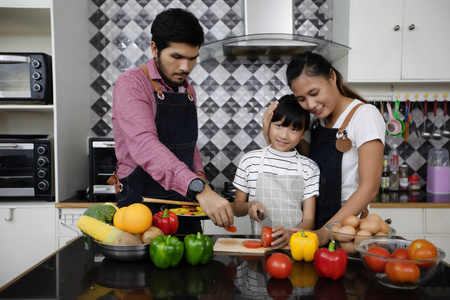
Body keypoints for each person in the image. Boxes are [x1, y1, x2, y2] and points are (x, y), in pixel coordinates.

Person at [111, 8, 233, 233]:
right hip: (142, 204)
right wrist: (198, 188)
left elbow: (188, 145)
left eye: (192, 58)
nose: (185, 68)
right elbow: (145, 145)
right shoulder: (132, 83)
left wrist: (199, 178)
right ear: (155, 48)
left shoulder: (188, 91)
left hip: (185, 200)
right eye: (176, 57)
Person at [262, 52, 385, 246]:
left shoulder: (364, 116)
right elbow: (301, 168)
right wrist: (268, 134)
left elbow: (369, 188)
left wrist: (324, 233)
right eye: (301, 99)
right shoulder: (316, 123)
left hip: (345, 232)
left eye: (314, 93)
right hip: (313, 228)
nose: (310, 105)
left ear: (332, 76)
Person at [233, 95, 320, 248]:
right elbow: (237, 208)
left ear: (303, 133)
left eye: (293, 129)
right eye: (279, 125)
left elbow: (309, 221)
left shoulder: (309, 168)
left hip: (294, 247)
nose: (283, 135)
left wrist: (292, 234)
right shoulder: (249, 161)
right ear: (269, 124)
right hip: (259, 247)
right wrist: (249, 206)